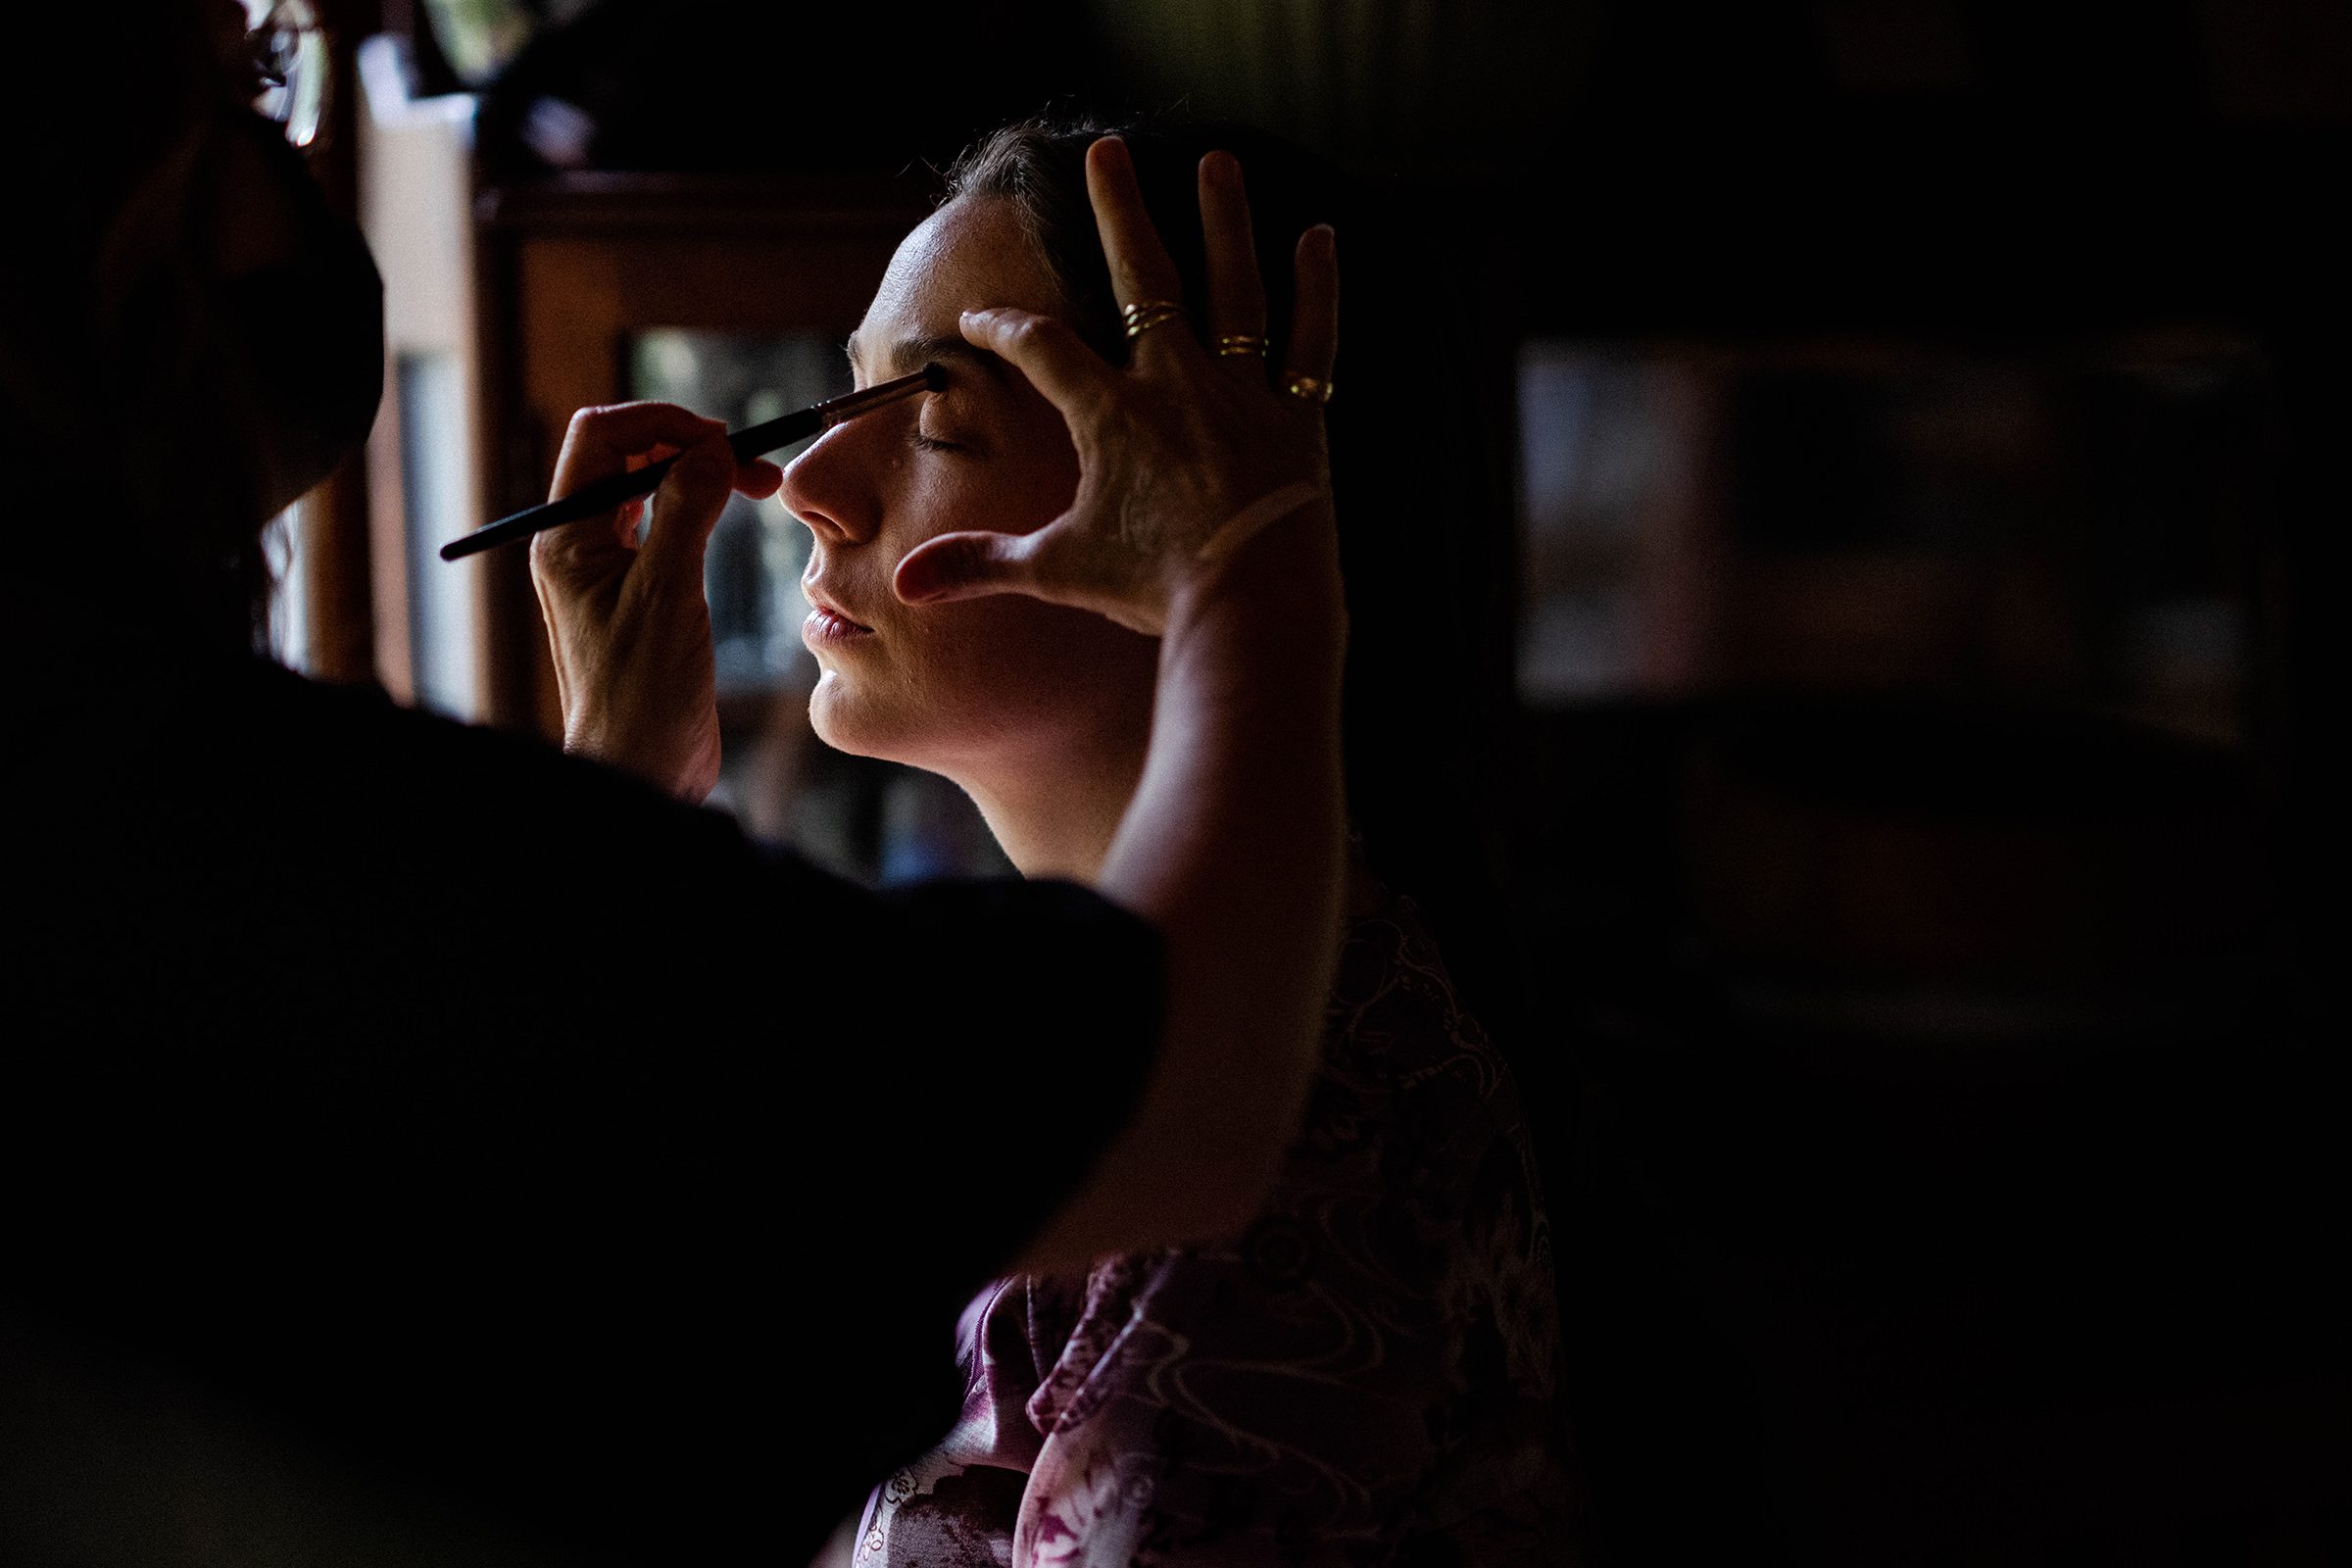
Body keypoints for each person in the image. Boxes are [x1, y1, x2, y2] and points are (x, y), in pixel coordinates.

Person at [2, 7, 1346, 1566]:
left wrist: (607, 821)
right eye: (243, 95)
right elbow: (1157, 1090)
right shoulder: (157, 814)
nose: (810, 491)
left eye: (931, 418)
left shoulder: (1335, 1154)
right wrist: (1253, 561)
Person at [534, 119, 1578, 1566]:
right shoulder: (1042, 1048)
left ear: (1199, 508)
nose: (811, 491)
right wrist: (621, 812)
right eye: (848, 392)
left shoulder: (1286, 1163)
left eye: (936, 418)